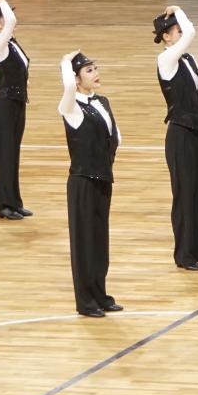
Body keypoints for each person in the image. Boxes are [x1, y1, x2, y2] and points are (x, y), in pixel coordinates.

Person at [58, 51, 122, 317]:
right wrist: (65, 63)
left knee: (99, 241)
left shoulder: (102, 101)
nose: (95, 73)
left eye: (95, 68)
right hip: (83, 182)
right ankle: (85, 302)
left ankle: (100, 294)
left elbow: (114, 135)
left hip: (103, 178)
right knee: (84, 243)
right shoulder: (70, 107)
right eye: (88, 70)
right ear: (76, 79)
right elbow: (67, 87)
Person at [155, 6, 198, 271]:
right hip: (180, 134)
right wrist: (178, 10)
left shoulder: (188, 59)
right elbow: (191, 32)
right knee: (184, 195)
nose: (182, 34)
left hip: (197, 131)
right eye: (177, 31)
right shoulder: (166, 59)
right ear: (166, 37)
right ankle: (184, 254)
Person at [0, 0, 30, 220]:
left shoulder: (11, 42)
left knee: (13, 154)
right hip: (4, 106)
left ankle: (14, 202)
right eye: (4, 16)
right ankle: (3, 204)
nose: (12, 18)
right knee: (3, 156)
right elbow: (11, 21)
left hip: (17, 103)